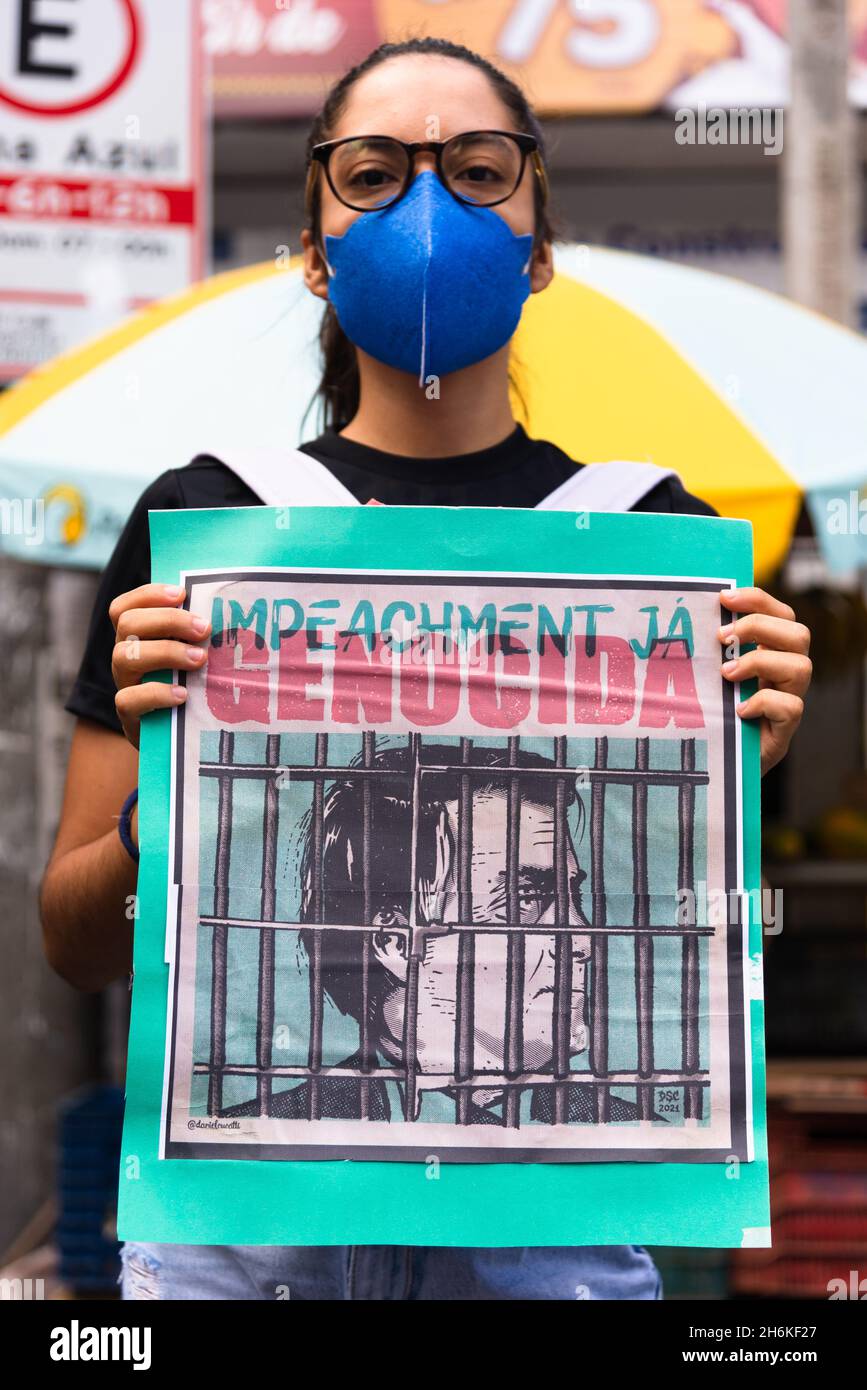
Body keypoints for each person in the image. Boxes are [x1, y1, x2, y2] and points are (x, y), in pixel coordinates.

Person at [40, 37, 812, 1301]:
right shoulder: (209, 532)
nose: (428, 205)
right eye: (374, 171)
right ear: (315, 244)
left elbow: (693, 945)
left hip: (549, 1251)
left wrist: (747, 751)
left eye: (475, 167)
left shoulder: (652, 546)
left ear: (538, 239)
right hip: (244, 1257)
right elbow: (77, 941)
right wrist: (170, 812)